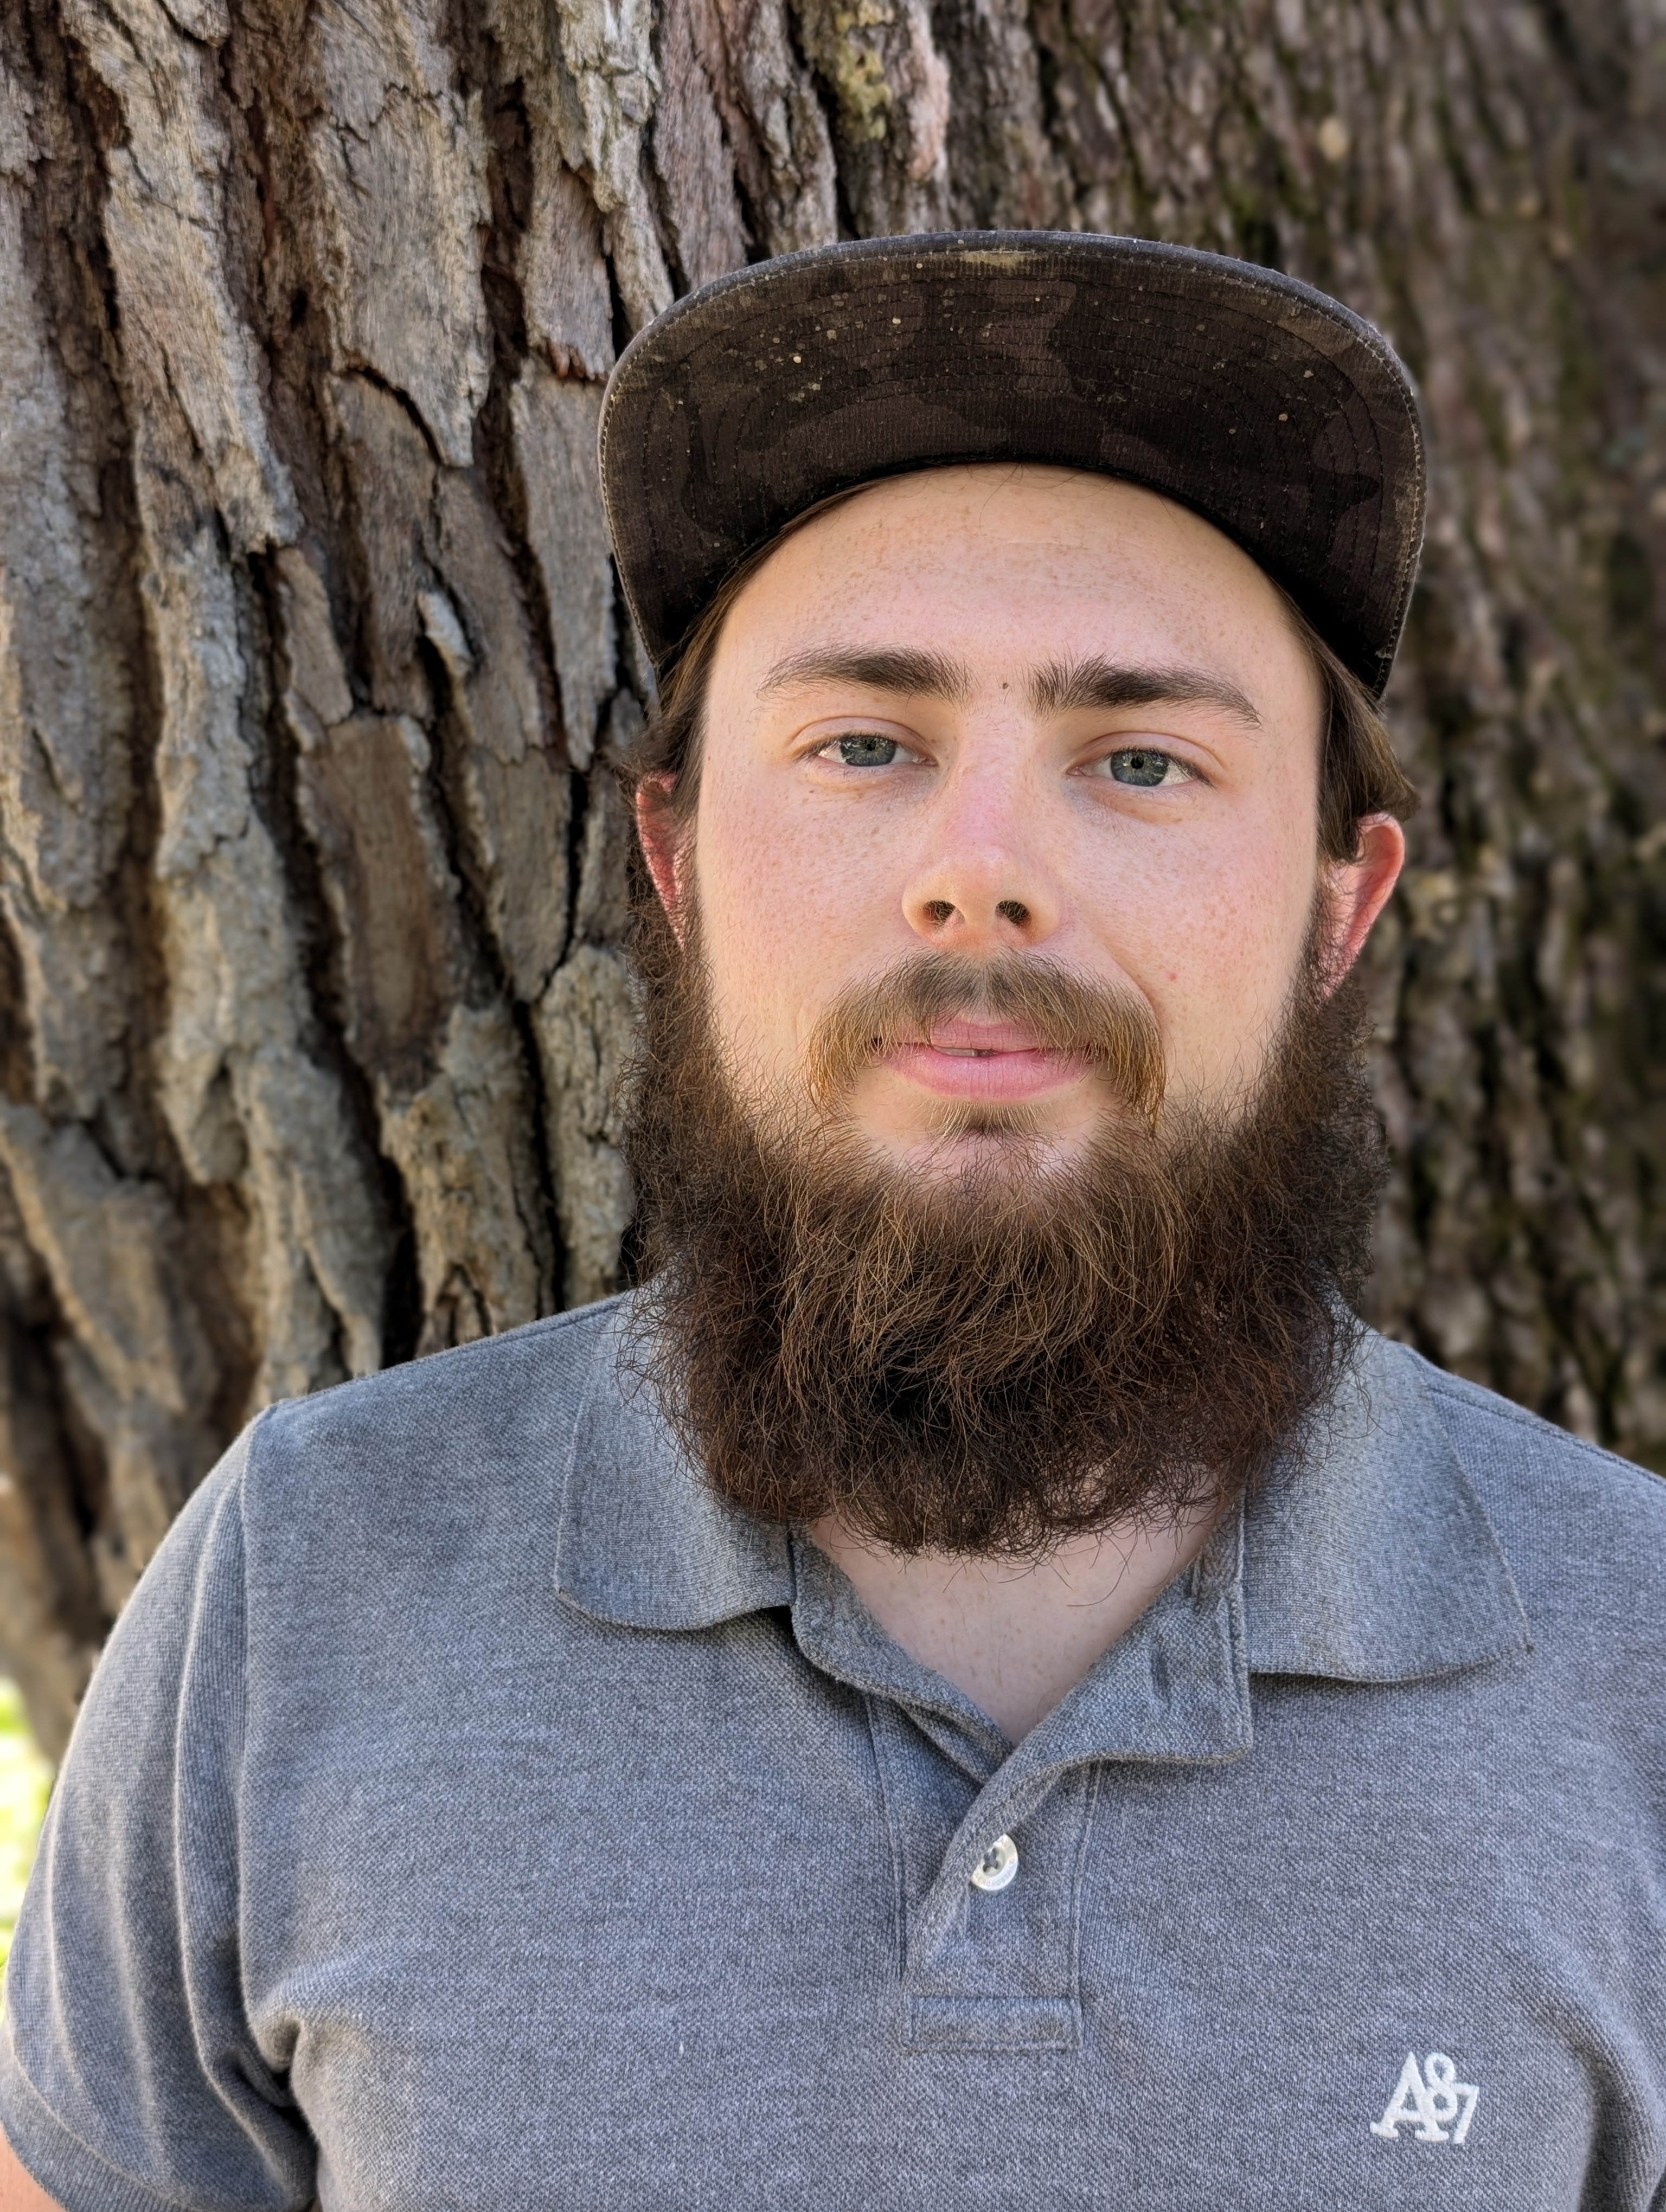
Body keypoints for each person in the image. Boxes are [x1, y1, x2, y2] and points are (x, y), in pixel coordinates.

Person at [2, 231, 1664, 2212]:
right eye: (866, 744)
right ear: (677, 860)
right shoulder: (306, 1590)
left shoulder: (1641, 1668)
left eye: (1140, 759)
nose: (982, 876)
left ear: (1338, 911)